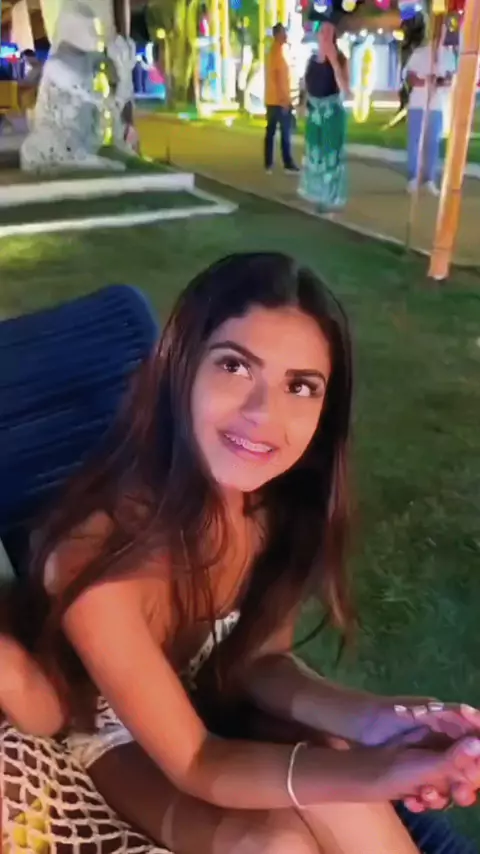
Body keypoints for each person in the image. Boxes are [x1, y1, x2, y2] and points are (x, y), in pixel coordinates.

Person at [2, 252, 480, 854]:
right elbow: (198, 762)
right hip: (116, 740)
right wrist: (379, 771)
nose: (264, 416)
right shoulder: (96, 566)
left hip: (212, 702)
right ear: (180, 369)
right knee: (275, 843)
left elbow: (256, 659)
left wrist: (376, 721)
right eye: (235, 366)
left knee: (341, 790)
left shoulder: (271, 507)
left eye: (300, 386)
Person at [298, 21, 349, 211]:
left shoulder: (341, 59)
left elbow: (345, 90)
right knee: (314, 155)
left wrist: (333, 61)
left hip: (331, 113)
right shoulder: (311, 60)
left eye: (329, 32)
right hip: (314, 114)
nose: (325, 35)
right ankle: (315, 194)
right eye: (322, 31)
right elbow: (306, 84)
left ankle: (329, 198)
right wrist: (302, 104)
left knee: (330, 157)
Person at [405, 27, 456, 196]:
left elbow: (450, 78)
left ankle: (429, 179)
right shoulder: (420, 53)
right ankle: (413, 178)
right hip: (418, 104)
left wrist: (441, 82)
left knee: (432, 143)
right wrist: (426, 81)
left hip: (437, 105)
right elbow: (411, 77)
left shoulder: (448, 55)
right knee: (415, 142)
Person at [264, 24, 299, 174]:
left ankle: (268, 163)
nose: (286, 35)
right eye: (283, 33)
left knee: (271, 133)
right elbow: (279, 80)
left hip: (271, 100)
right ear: (277, 35)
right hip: (279, 101)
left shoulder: (273, 52)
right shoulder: (278, 53)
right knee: (285, 133)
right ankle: (287, 163)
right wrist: (285, 100)